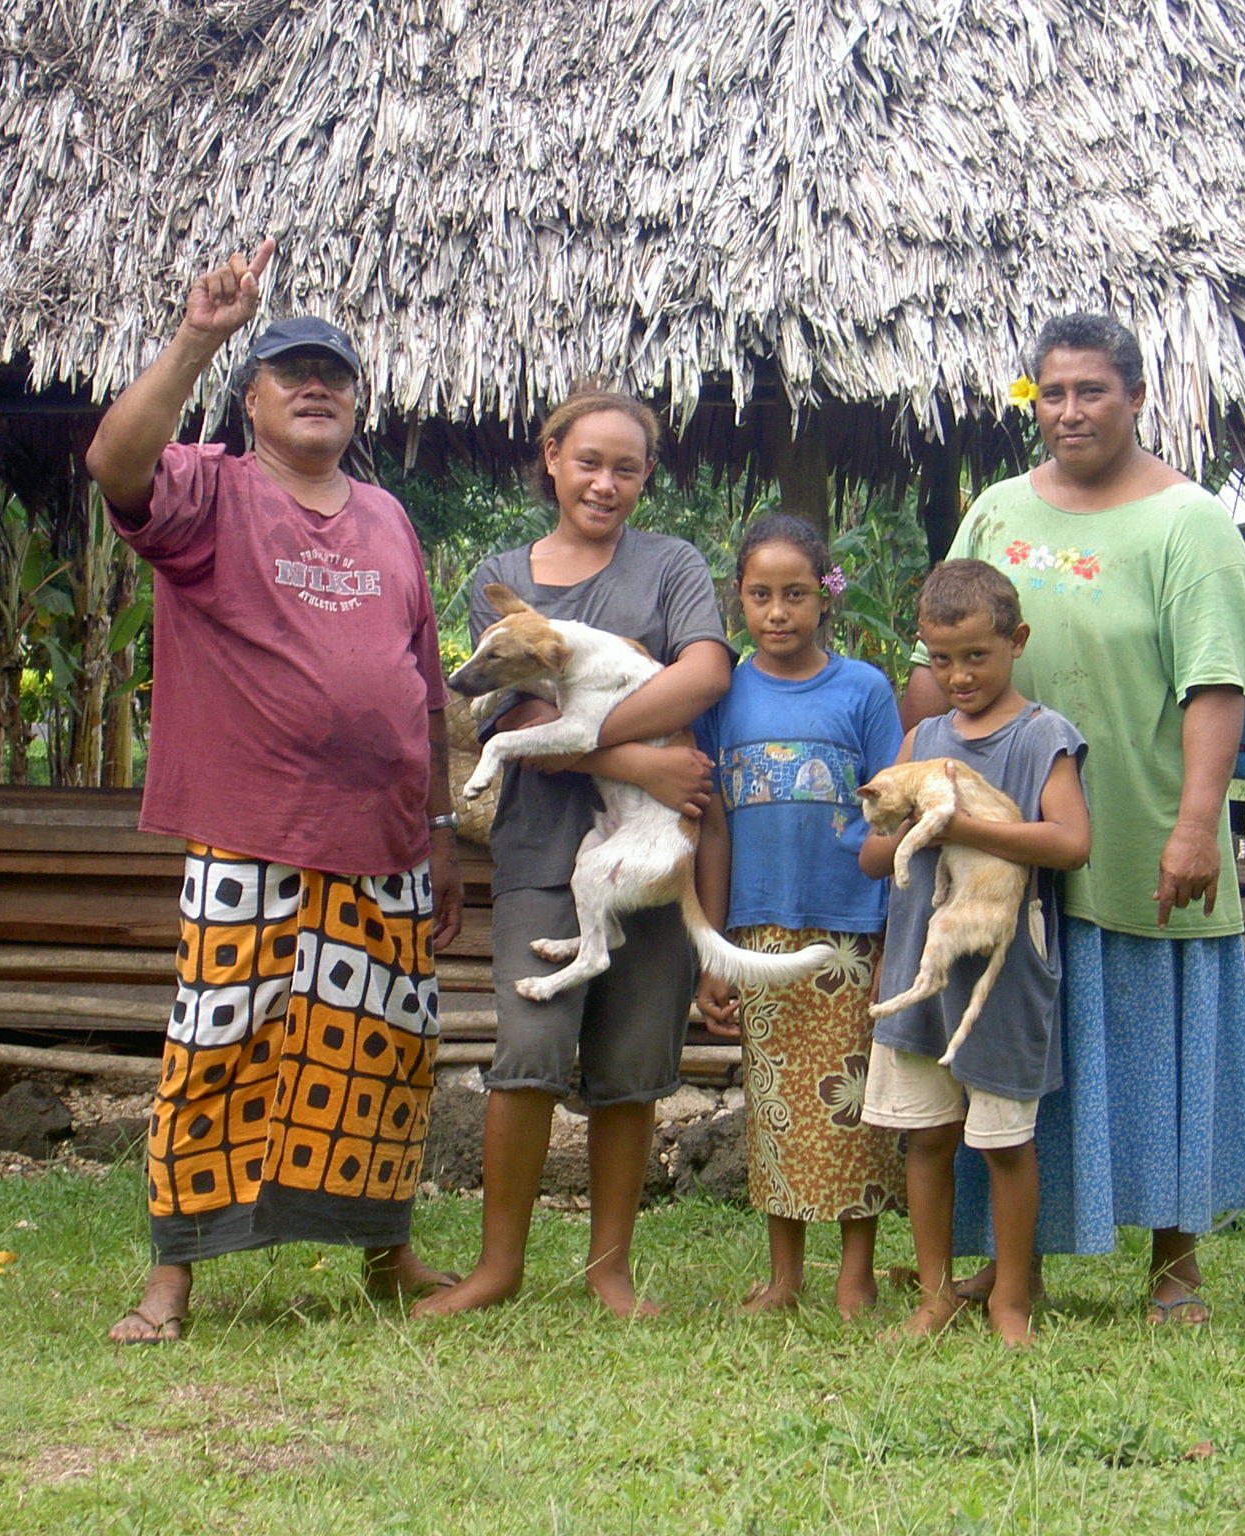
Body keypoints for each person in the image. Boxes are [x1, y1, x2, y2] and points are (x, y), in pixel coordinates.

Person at [85, 237, 464, 1343]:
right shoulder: (208, 489)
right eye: (291, 372)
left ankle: (386, 1255)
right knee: (217, 1044)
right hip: (253, 831)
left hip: (386, 841)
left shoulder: (390, 518)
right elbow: (114, 464)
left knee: (384, 1054)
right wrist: (199, 333)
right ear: (249, 399)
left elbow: (426, 690)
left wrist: (439, 833)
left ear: (357, 405)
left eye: (334, 377)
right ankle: (172, 1277)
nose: (315, 388)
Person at [903, 313, 1245, 1326]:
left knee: (1152, 1035)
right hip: (999, 842)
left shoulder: (1186, 522)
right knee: (1017, 1045)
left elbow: (1214, 687)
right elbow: (936, 657)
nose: (1068, 411)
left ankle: (1173, 1265)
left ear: (1137, 398)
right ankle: (1005, 1266)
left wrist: (1195, 825)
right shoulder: (996, 508)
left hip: (1133, 823)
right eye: (1050, 393)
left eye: (1090, 391)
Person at [413, 390, 731, 1319]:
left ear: (644, 478)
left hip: (651, 846)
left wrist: (605, 731)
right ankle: (497, 1267)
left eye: (626, 467)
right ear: (551, 457)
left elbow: (706, 673)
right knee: (528, 1050)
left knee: (632, 1064)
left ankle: (610, 1270)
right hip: (544, 846)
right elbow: (515, 707)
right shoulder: (504, 572)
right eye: (588, 460)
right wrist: (642, 755)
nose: (605, 482)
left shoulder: (672, 566)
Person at [863, 560, 1090, 1345]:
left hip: (1004, 971)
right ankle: (934, 1297)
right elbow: (872, 849)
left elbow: (1070, 842)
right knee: (923, 1136)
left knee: (1004, 1141)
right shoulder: (923, 738)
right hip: (918, 971)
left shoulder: (1042, 738)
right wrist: (887, 821)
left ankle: (1011, 1301)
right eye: (940, 658)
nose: (957, 675)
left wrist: (961, 825)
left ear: (1016, 641)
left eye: (976, 657)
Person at [690, 515, 906, 1320]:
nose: (777, 612)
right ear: (737, 598)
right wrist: (713, 948)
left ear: (825, 597)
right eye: (759, 595)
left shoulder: (864, 690)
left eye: (795, 595)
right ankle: (784, 1276)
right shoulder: (725, 692)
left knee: (854, 1102)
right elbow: (712, 824)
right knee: (775, 1104)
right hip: (759, 930)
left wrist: (893, 936)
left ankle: (857, 1273)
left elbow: (895, 817)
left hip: (852, 924)